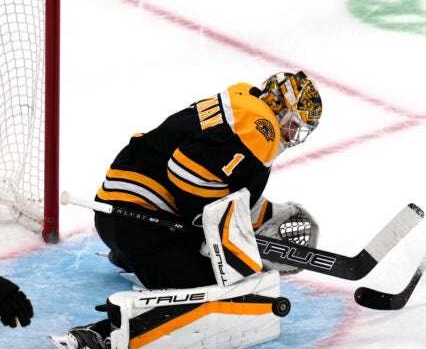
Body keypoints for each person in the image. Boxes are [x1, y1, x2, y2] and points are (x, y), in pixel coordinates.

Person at [65, 71, 323, 349]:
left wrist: (260, 215)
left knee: (207, 260)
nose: (293, 135)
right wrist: (213, 231)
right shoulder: (262, 127)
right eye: (293, 124)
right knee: (220, 290)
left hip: (116, 216)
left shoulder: (241, 104)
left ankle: (135, 259)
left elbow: (212, 180)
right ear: (280, 109)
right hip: (141, 225)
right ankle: (104, 333)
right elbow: (186, 171)